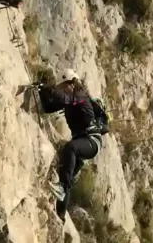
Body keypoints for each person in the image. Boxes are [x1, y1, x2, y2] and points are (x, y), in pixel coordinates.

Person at [36, 69, 104, 220]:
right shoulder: (70, 100)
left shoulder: (80, 96)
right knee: (67, 176)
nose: (62, 90)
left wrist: (47, 88)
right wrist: (41, 90)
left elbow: (62, 98)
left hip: (91, 140)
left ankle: (61, 189)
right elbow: (48, 107)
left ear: (72, 83)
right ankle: (61, 215)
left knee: (71, 148)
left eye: (64, 87)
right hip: (83, 140)